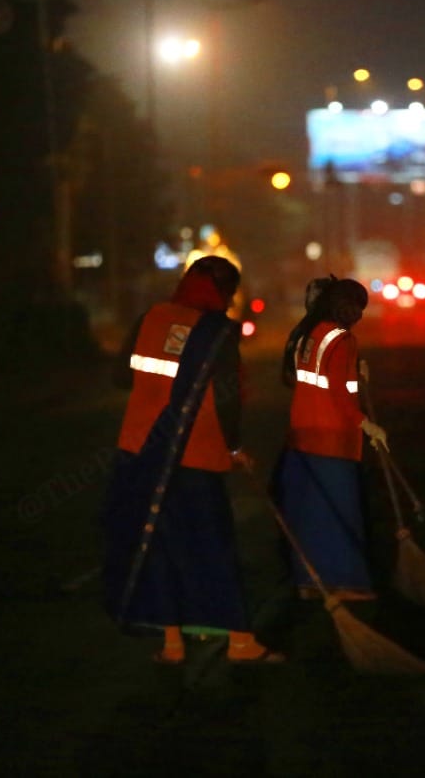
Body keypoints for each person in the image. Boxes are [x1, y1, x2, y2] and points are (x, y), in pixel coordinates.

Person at [101, 255, 284, 664]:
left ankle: (172, 644)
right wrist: (234, 447)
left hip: (143, 450)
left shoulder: (151, 317)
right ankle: (240, 642)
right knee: (213, 546)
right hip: (195, 453)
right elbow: (227, 398)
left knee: (161, 547)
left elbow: (120, 377)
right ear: (223, 291)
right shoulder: (217, 331)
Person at [275, 277, 388, 600]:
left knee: (310, 513)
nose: (359, 315)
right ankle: (347, 583)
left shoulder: (309, 333)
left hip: (302, 436)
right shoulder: (342, 339)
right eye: (357, 308)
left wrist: (355, 372)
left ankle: (309, 582)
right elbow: (339, 393)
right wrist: (366, 425)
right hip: (333, 439)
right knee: (341, 513)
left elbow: (310, 377)